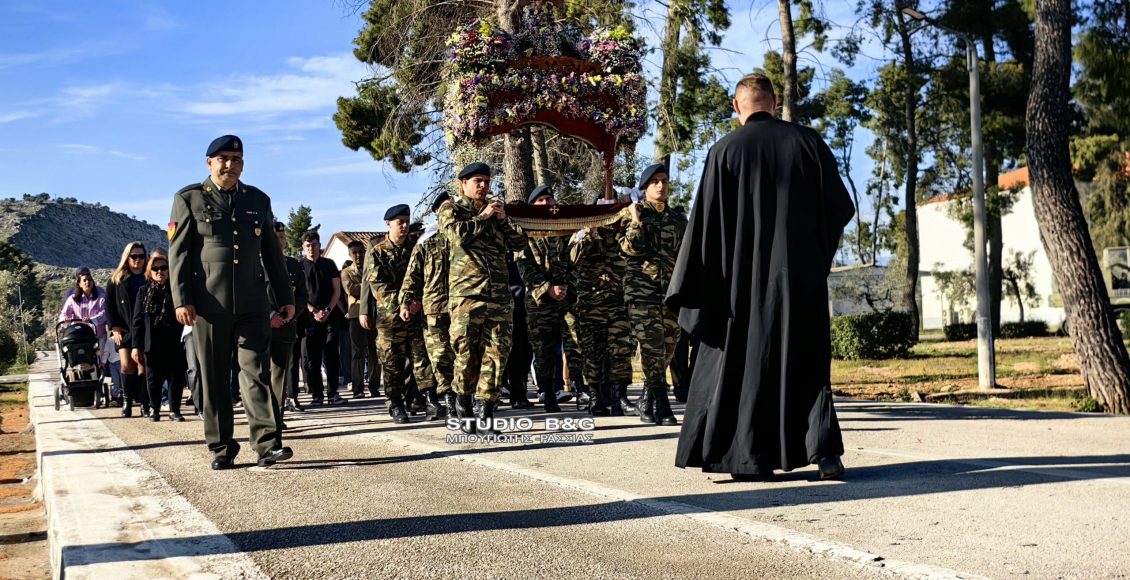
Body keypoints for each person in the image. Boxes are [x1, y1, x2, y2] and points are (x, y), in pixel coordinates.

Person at [667, 74, 854, 481]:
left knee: (745, 367)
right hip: (799, 281)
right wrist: (813, 258)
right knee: (808, 364)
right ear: (775, 102)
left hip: (739, 289)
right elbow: (839, 208)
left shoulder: (723, 151)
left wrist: (708, 285)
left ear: (737, 107)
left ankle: (751, 458)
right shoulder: (808, 143)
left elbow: (705, 229)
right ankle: (824, 454)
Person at [168, 134, 295, 470]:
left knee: (256, 372)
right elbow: (178, 254)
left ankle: (267, 443)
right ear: (209, 163)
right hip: (208, 307)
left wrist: (285, 297)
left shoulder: (257, 200)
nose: (229, 165)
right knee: (214, 379)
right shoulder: (189, 199)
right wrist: (182, 299)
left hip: (253, 305)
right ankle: (222, 446)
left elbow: (272, 254)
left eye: (236, 159)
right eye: (222, 159)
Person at [438, 162, 528, 434]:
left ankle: (486, 412)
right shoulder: (451, 209)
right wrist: (484, 217)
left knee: (497, 354)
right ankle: (463, 407)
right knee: (466, 355)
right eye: (477, 181)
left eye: (487, 181)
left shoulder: (497, 212)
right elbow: (455, 236)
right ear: (462, 184)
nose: (483, 186)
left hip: (499, 296)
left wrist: (502, 220)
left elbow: (521, 243)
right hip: (468, 296)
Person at [620, 163, 686, 426]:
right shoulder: (631, 215)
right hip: (642, 292)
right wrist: (635, 221)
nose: (661, 186)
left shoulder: (678, 219)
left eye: (664, 181)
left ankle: (646, 399)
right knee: (651, 348)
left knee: (669, 347)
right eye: (655, 182)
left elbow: (686, 255)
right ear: (645, 187)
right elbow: (629, 248)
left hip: (670, 293)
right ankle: (661, 403)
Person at [361, 204, 438, 423]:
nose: (404, 226)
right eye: (399, 222)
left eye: (406, 221)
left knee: (422, 359)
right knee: (392, 363)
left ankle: (430, 400)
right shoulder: (377, 252)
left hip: (415, 314)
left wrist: (417, 302)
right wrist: (404, 303)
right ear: (388, 224)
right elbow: (379, 287)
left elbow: (426, 279)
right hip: (390, 318)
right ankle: (395, 404)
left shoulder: (417, 248)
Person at [569, 217, 638, 417]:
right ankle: (595, 396)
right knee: (592, 353)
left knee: (621, 351)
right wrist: (588, 233)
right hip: (591, 304)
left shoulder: (621, 234)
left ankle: (620, 398)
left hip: (618, 303)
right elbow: (573, 257)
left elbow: (634, 250)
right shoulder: (583, 233)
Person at [516, 185, 572, 413]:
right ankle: (548, 392)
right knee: (543, 350)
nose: (547, 204)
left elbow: (573, 259)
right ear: (532, 206)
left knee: (575, 344)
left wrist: (567, 286)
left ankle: (581, 389)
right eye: (541, 201)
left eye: (549, 200)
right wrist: (547, 288)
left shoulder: (563, 229)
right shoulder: (524, 231)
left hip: (567, 297)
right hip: (539, 301)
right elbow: (523, 264)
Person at [400, 193, 456, 417]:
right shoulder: (426, 242)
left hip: (465, 307)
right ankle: (450, 402)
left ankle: (467, 401)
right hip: (435, 310)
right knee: (441, 357)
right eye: (444, 208)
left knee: (465, 356)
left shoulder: (466, 235)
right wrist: (406, 302)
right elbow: (411, 276)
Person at [130, 249, 187, 422]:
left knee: (175, 376)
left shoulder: (176, 290)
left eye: (163, 268)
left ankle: (174, 410)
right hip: (151, 341)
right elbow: (137, 320)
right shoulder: (143, 291)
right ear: (150, 271)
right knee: (153, 378)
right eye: (155, 269)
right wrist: (135, 346)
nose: (160, 271)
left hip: (174, 339)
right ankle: (154, 409)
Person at [267, 221, 307, 434]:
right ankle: (262, 417)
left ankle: (276, 417)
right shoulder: (253, 264)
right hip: (260, 328)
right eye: (275, 237)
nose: (279, 241)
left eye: (282, 238)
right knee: (259, 375)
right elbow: (249, 295)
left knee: (279, 375)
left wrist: (291, 314)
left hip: (285, 326)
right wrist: (270, 315)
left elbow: (302, 294)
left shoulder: (292, 265)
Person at [299, 231, 346, 406]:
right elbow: (299, 295)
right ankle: (316, 395)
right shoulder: (300, 266)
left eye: (314, 244)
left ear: (320, 245)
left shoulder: (329, 264)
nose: (311, 248)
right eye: (308, 245)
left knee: (332, 355)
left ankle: (333, 393)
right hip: (309, 318)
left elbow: (337, 290)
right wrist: (314, 311)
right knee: (313, 358)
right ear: (303, 248)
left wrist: (326, 310)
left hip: (330, 316)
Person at [106, 241, 150, 417]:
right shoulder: (117, 279)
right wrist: (114, 327)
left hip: (145, 329)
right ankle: (127, 401)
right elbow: (109, 305)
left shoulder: (149, 277)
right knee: (126, 366)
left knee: (143, 365)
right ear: (127, 258)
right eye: (134, 256)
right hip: (124, 328)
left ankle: (145, 403)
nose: (137, 260)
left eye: (141, 256)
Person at [342, 241, 379, 399]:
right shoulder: (346, 272)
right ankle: (358, 388)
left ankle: (374, 386)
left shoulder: (372, 268)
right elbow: (352, 290)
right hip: (356, 315)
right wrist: (368, 284)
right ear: (350, 254)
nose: (358, 255)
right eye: (355, 252)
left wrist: (364, 286)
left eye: (361, 252)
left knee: (375, 353)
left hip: (374, 314)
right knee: (358, 353)